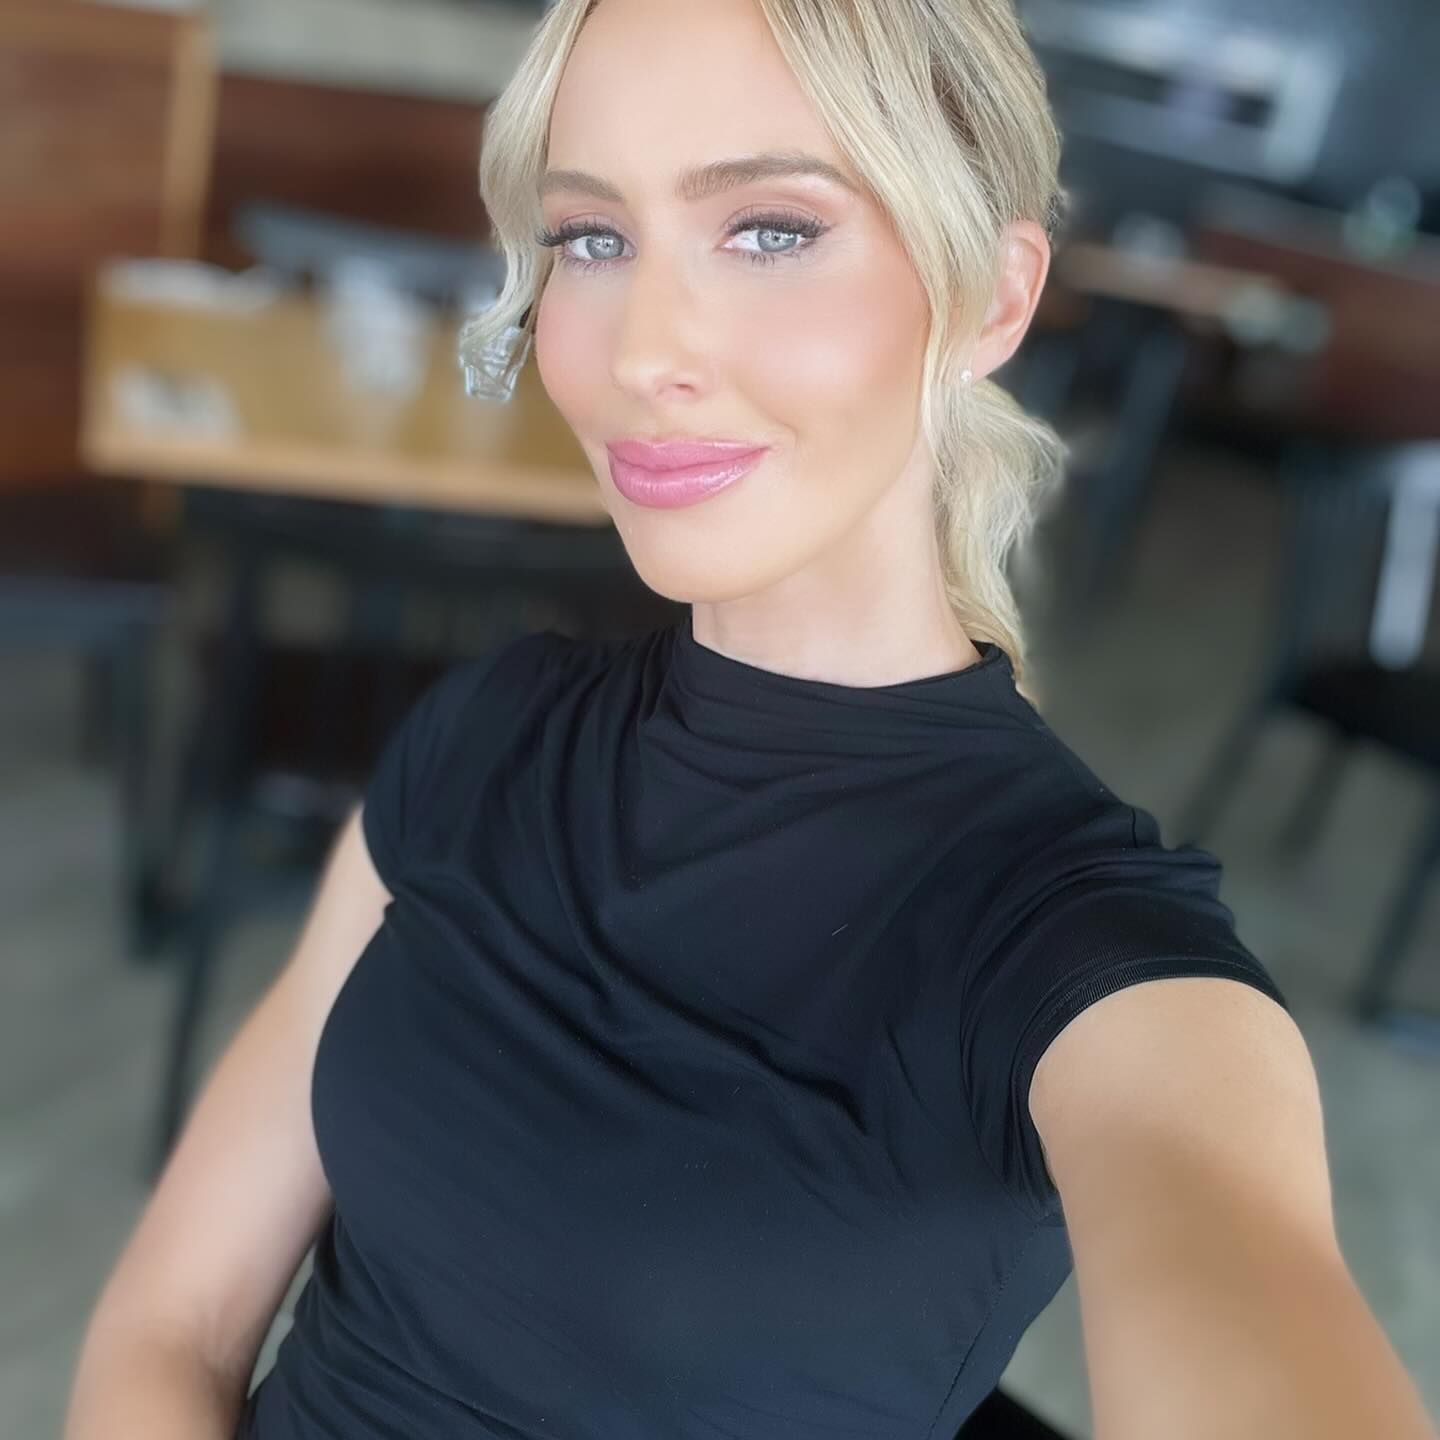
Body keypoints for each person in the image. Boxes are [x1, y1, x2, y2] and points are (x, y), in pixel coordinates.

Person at [65, 1, 1437, 1438]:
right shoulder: (490, 731)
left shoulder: (1085, 958)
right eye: (592, 237)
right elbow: (173, 1325)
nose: (643, 350)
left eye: (772, 229)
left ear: (990, 297)